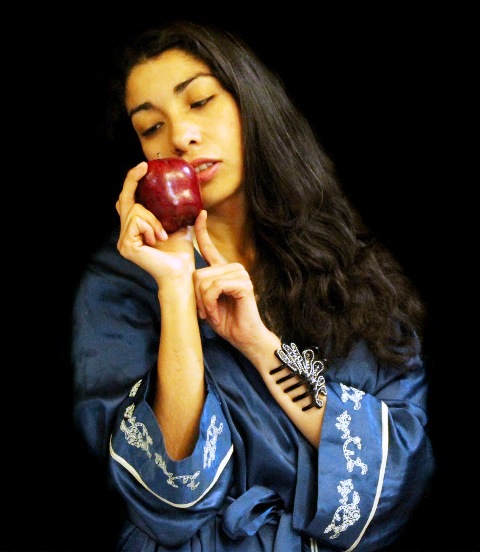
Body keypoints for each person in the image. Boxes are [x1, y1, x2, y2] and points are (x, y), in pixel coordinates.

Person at [72, 20, 435, 551]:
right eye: (151, 127)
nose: (181, 137)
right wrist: (175, 288)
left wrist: (261, 346)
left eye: (200, 101)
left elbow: (398, 472)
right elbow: (168, 495)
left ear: (251, 102)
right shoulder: (119, 283)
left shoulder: (348, 261)